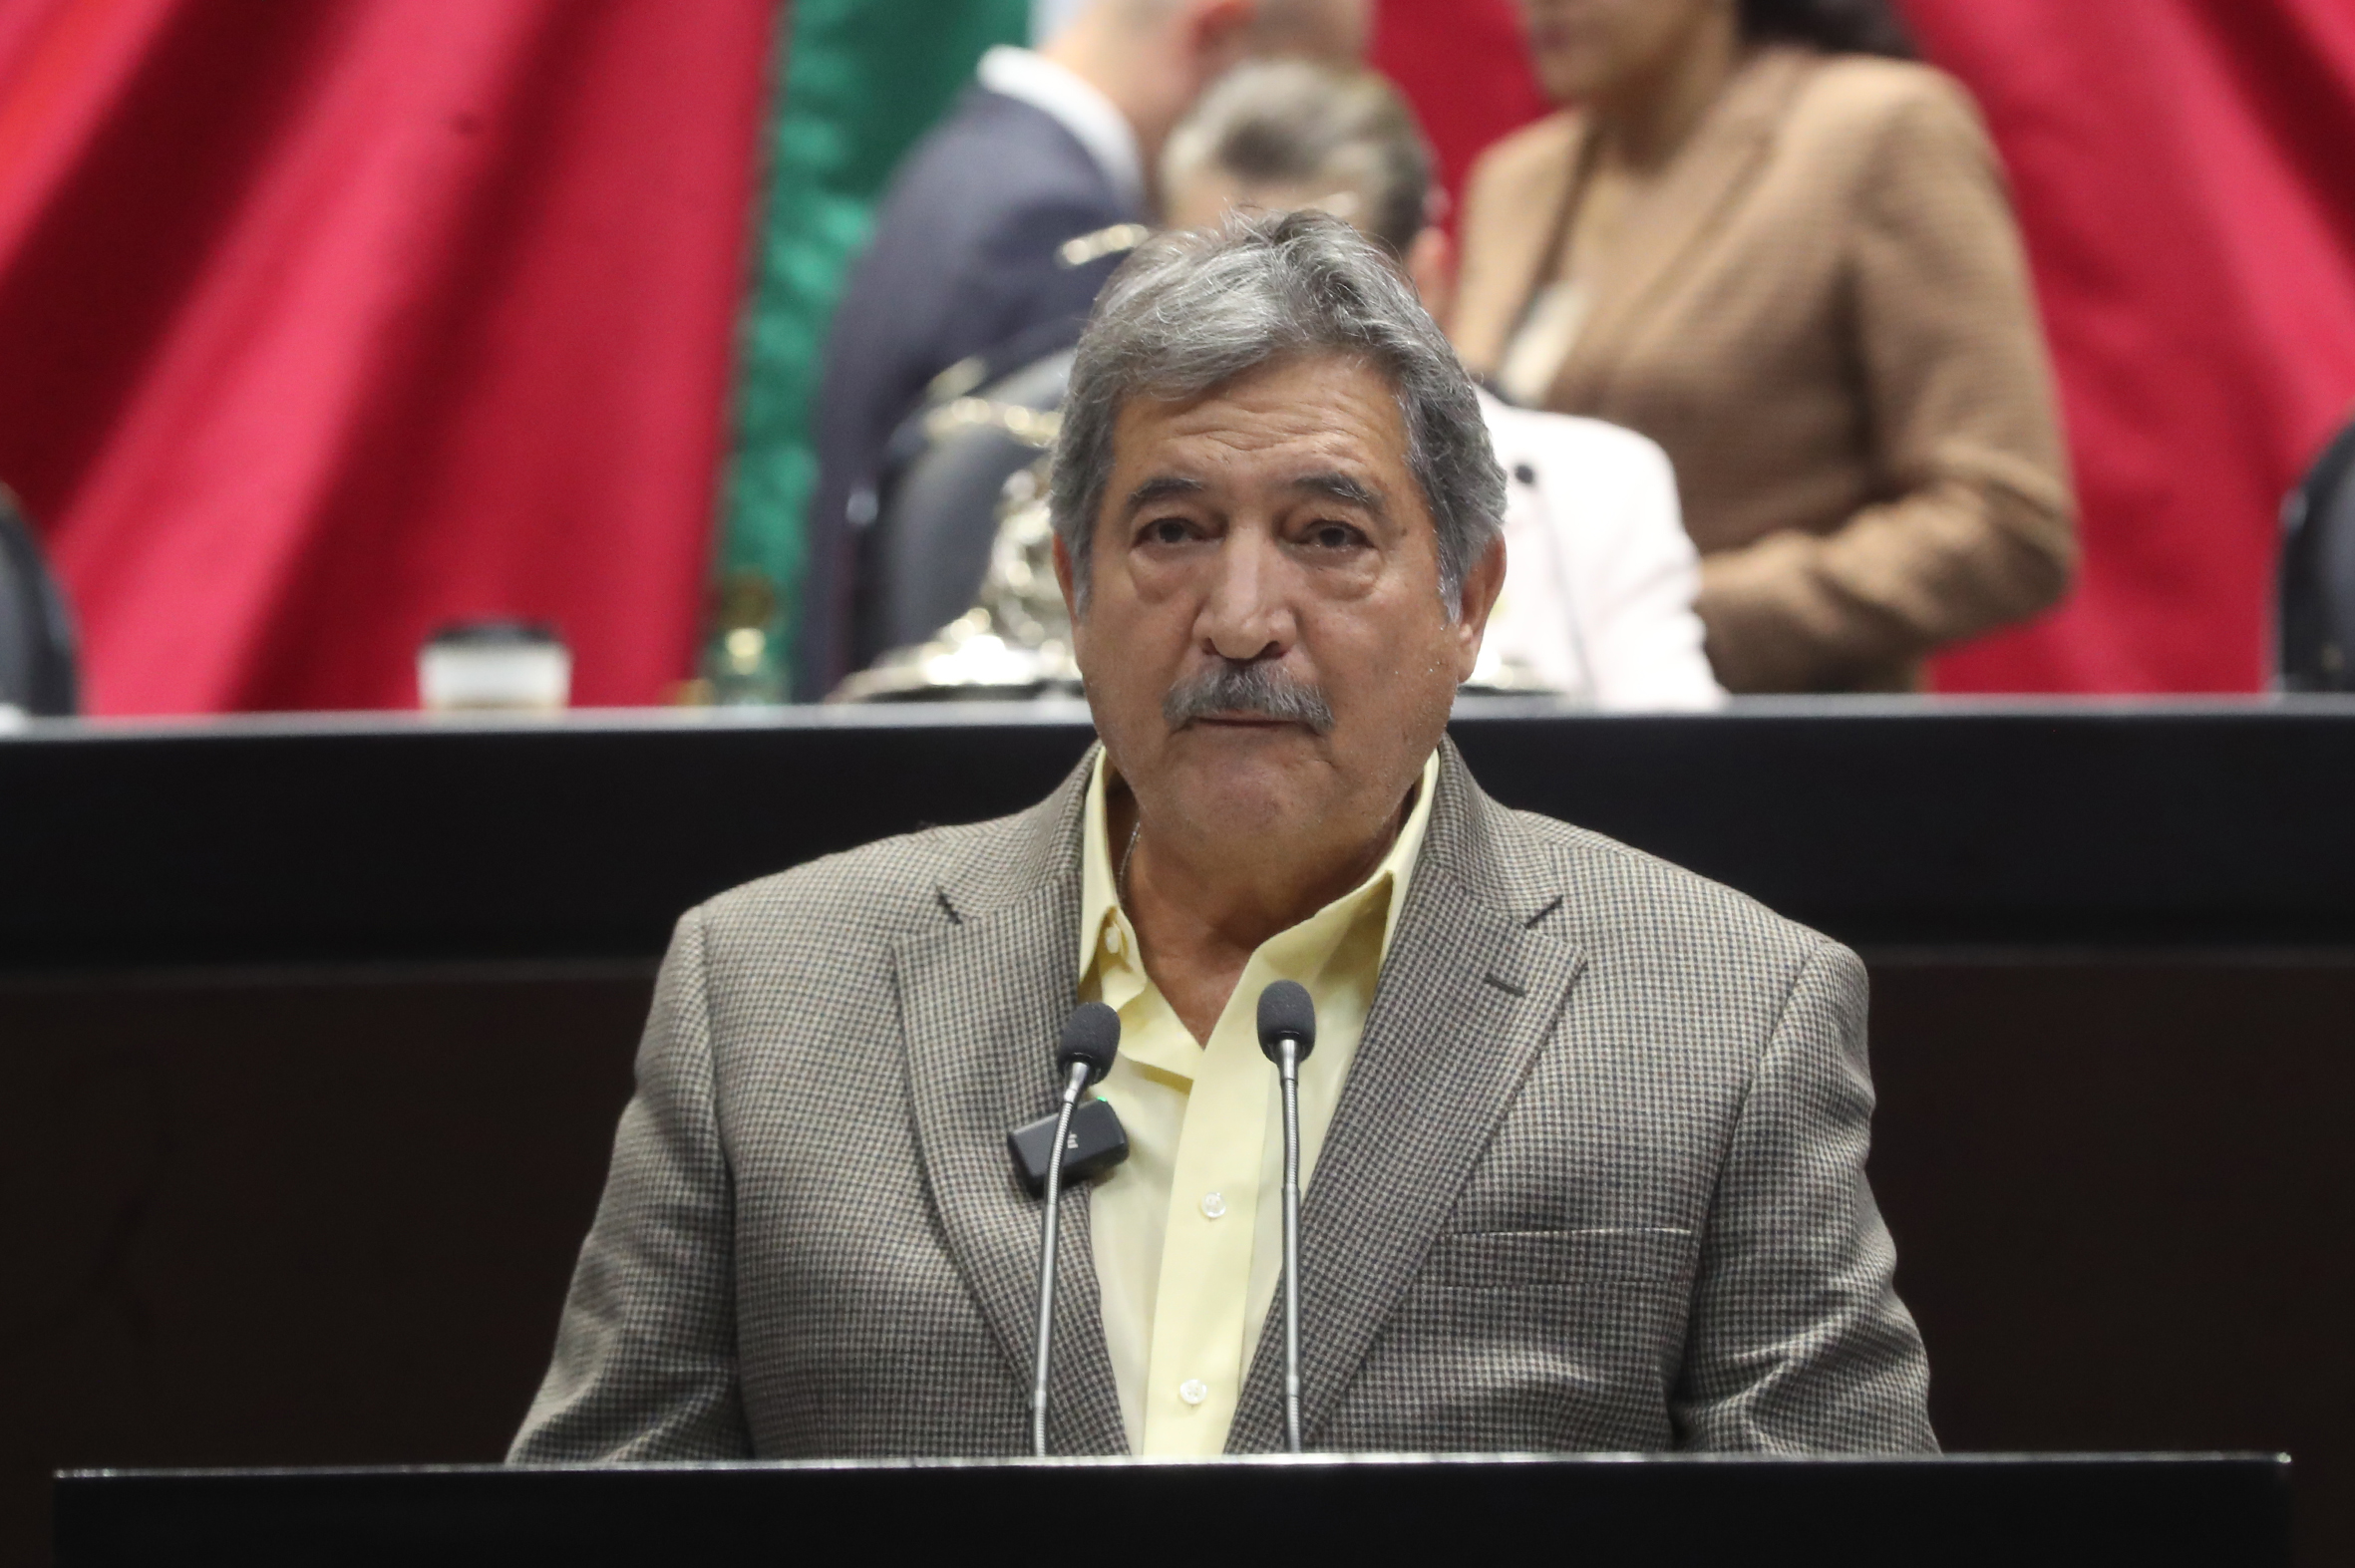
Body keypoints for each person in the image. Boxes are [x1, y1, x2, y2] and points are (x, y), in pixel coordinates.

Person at [512, 213, 1931, 1460]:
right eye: (1175, 531)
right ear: (1073, 588)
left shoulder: (1724, 1017)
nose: (1242, 619)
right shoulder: (765, 996)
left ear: (1467, 600)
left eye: (1327, 535)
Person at [1453, 0, 2076, 694]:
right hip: (1517, 744)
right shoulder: (1515, 180)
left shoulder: (1877, 132)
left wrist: (1658, 615)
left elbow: (2006, 522)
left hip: (1785, 741)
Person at [798, 0, 1369, 698]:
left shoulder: (977, 169)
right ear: (1214, 34)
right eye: (1286, 103)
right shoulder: (1050, 226)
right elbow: (1034, 630)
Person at [1161, 61, 1722, 709]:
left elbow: (1673, 758)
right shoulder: (1096, 489)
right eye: (1206, 290)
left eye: (1314, 292)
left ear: (1422, 285)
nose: (1251, 336)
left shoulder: (1595, 492)